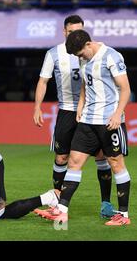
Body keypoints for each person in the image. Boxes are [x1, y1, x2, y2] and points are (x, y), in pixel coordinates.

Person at [42, 29, 131, 226]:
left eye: (81, 53)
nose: (80, 57)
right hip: (87, 120)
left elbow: (125, 88)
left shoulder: (112, 56)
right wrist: (81, 104)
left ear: (89, 44)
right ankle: (62, 210)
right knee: (74, 161)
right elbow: (85, 83)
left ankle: (123, 215)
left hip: (109, 121)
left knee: (116, 163)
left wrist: (118, 114)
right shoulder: (84, 58)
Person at [33, 15, 116, 219]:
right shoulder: (53, 54)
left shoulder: (93, 52)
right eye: (71, 32)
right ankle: (57, 202)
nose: (75, 35)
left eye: (79, 31)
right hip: (67, 111)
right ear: (64, 32)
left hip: (92, 110)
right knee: (62, 157)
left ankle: (106, 203)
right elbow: (43, 81)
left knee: (100, 157)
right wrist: (37, 107)